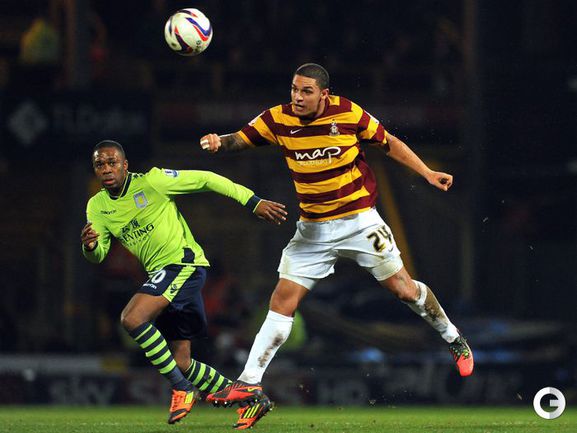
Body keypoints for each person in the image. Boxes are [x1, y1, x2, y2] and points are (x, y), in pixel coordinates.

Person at [199, 63, 474, 408]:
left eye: (306, 91)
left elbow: (388, 142)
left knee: (404, 289)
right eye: (294, 89)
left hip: (360, 222)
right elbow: (241, 139)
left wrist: (427, 172)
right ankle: (249, 382)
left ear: (324, 94)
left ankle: (453, 337)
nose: (298, 97)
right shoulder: (278, 118)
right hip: (312, 230)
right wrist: (219, 142)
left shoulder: (347, 113)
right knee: (282, 300)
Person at [80, 140, 286, 428]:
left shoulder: (153, 182)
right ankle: (250, 399)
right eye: (99, 164)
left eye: (112, 162)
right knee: (182, 362)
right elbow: (99, 254)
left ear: (125, 165)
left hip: (182, 266)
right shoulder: (97, 206)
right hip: (164, 276)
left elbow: (207, 178)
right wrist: (90, 246)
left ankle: (182, 388)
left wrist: (252, 201)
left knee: (132, 317)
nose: (106, 169)